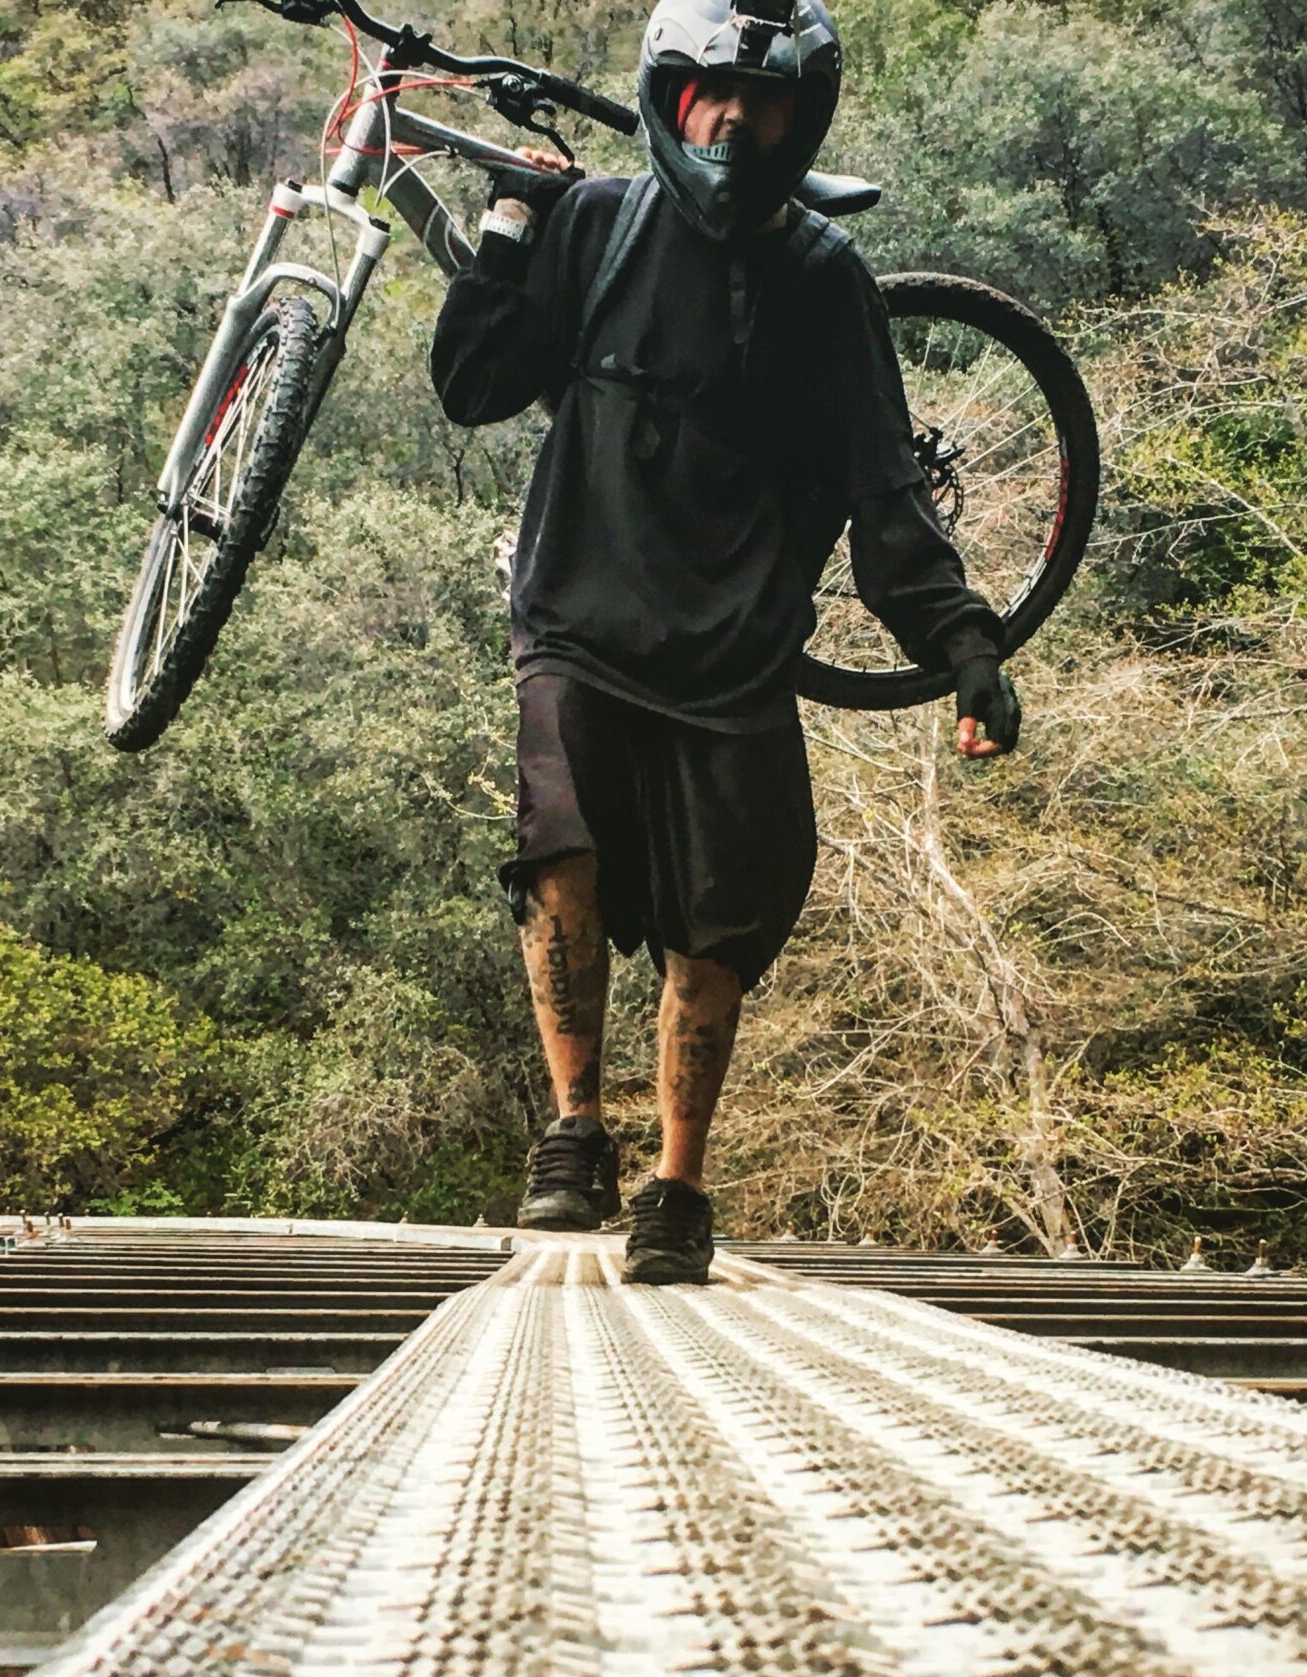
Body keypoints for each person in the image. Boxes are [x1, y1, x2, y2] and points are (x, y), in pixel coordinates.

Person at [430, 0, 1021, 1282]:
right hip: (577, 615)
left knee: (718, 925)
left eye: (768, 105)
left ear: (804, 119)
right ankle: (574, 1134)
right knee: (562, 857)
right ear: (670, 96)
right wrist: (505, 231)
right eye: (715, 96)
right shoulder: (592, 225)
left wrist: (965, 645)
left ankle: (676, 1188)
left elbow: (885, 496)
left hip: (734, 653)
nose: (739, 123)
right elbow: (474, 385)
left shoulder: (824, 281)